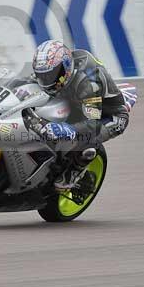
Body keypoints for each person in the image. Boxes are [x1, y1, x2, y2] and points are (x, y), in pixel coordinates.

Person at [28, 39, 130, 190]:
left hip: (108, 116)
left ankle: (76, 170)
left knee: (85, 137)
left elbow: (92, 124)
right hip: (76, 101)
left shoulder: (88, 82)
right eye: (43, 76)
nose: (46, 81)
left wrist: (67, 129)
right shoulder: (58, 69)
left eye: (50, 76)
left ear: (66, 69)